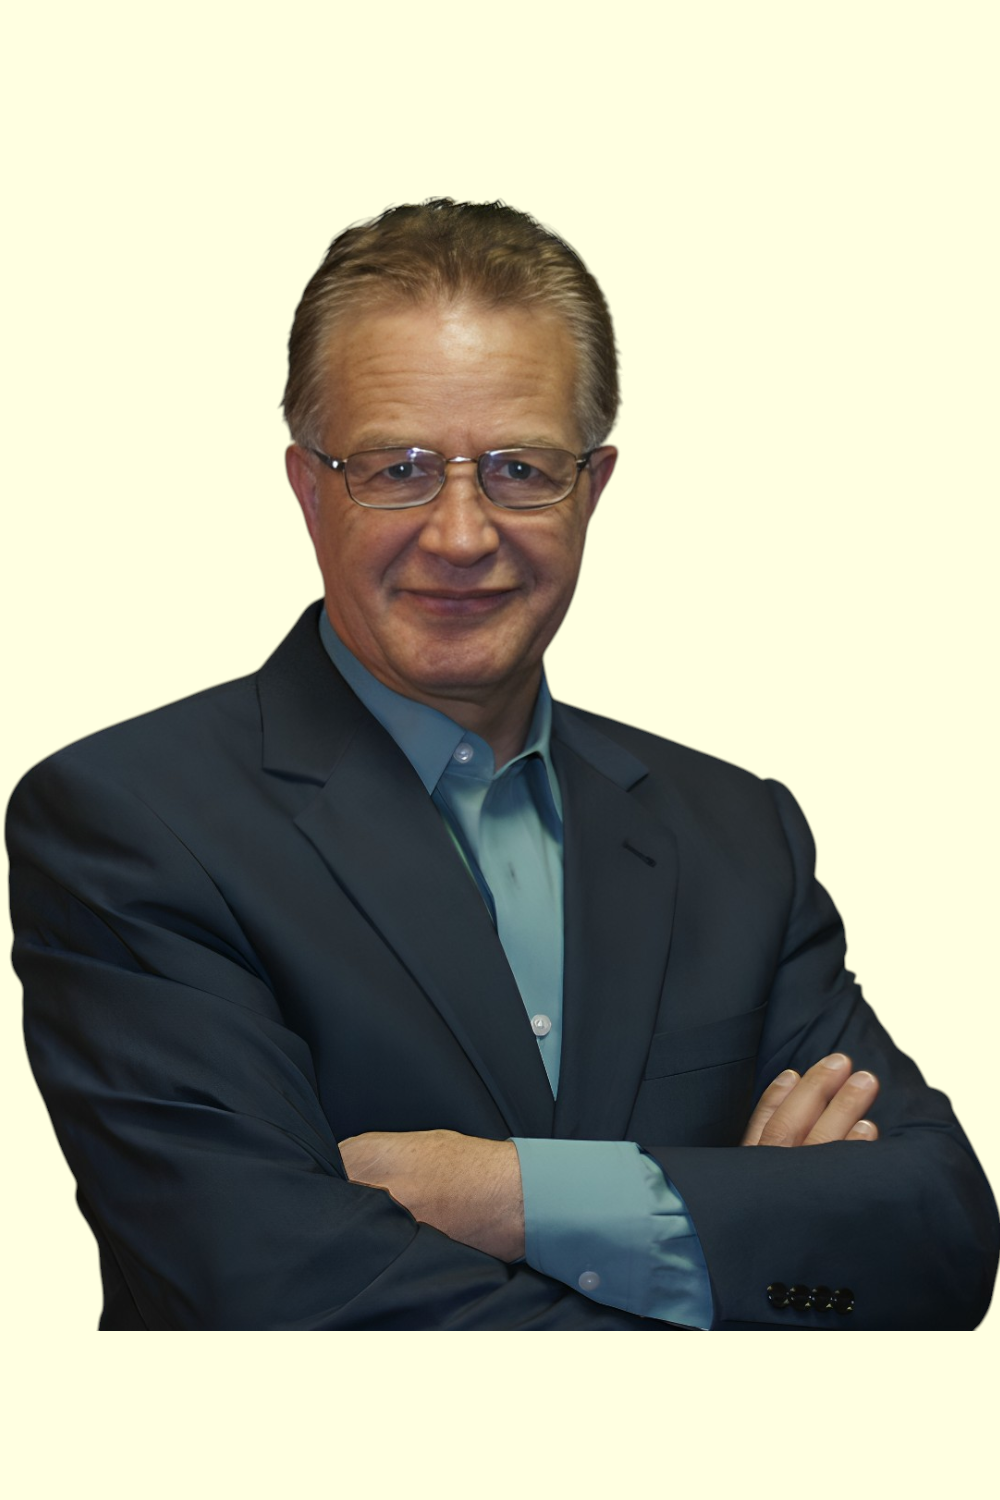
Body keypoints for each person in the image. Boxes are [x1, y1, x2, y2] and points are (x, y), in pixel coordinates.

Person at [8, 199, 998, 1330]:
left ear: (594, 488)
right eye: (398, 468)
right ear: (308, 488)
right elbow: (267, 1292)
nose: (462, 534)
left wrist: (516, 1194)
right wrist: (744, 1234)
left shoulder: (735, 837)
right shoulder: (130, 821)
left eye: (520, 469)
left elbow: (939, 1241)